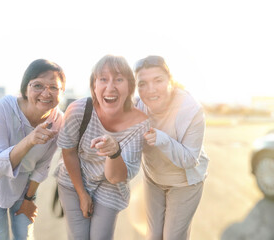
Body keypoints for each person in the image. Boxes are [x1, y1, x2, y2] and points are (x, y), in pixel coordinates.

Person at [56, 55, 149, 240]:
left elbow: (116, 177)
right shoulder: (77, 111)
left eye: (119, 79)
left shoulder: (139, 118)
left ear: (130, 86)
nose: (110, 87)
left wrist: (114, 152)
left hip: (111, 185)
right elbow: (68, 152)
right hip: (75, 179)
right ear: (94, 86)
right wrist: (82, 194)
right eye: (103, 79)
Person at [0, 59, 66, 240]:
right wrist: (29, 140)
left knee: (25, 235)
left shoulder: (59, 120)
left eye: (54, 87)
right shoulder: (3, 108)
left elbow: (43, 166)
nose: (46, 93)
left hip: (24, 186)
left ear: (61, 92)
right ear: (25, 87)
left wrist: (29, 199)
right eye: (38, 85)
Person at [134, 55, 209, 240]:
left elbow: (191, 159)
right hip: (154, 178)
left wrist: (163, 139)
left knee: (172, 237)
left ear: (171, 81)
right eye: (142, 83)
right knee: (153, 236)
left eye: (158, 80)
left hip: (184, 182)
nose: (150, 89)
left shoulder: (191, 110)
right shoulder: (138, 106)